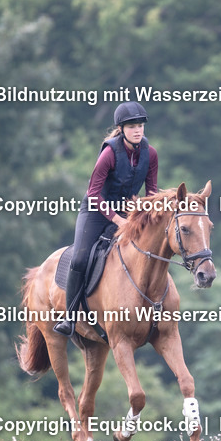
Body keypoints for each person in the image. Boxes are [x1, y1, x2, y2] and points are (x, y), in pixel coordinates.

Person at [54, 101, 158, 335]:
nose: (138, 130)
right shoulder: (109, 154)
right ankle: (70, 318)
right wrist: (117, 219)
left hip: (126, 212)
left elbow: (152, 192)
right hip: (95, 211)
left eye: (140, 125)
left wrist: (148, 217)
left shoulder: (150, 154)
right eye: (132, 126)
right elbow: (93, 193)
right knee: (81, 259)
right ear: (121, 129)